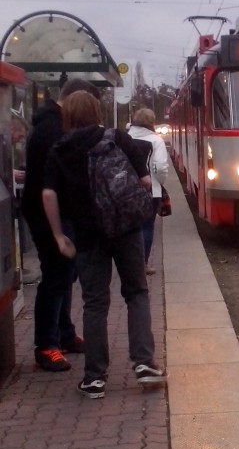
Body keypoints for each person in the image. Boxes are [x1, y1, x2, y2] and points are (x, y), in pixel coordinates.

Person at [42, 90, 165, 399]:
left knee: (95, 303)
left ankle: (95, 378)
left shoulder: (61, 148)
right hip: (126, 230)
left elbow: (48, 194)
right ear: (97, 110)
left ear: (68, 115)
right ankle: (145, 365)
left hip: (87, 237)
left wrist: (58, 235)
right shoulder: (118, 138)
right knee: (136, 293)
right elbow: (146, 182)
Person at [21, 78, 99, 371]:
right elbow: (57, 182)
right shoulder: (52, 129)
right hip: (47, 213)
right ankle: (46, 346)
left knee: (65, 275)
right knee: (56, 276)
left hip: (52, 211)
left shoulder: (53, 124)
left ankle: (64, 335)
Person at [127, 108, 170, 273]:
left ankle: (129, 264)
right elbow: (160, 167)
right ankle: (142, 264)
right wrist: (158, 183)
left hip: (126, 191)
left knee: (130, 228)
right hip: (150, 190)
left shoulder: (125, 138)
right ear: (151, 122)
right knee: (146, 226)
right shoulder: (156, 140)